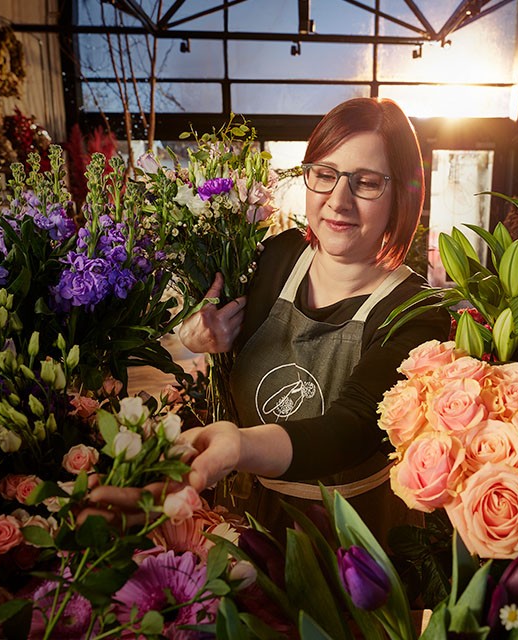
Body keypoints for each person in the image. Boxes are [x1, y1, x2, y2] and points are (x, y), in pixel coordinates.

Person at [94, 97, 450, 541]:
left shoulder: (416, 309)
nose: (338, 200)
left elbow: (353, 428)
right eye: (324, 175)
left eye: (367, 182)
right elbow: (201, 316)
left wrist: (237, 443)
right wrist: (194, 331)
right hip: (247, 515)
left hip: (355, 540)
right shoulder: (274, 258)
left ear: (402, 193)